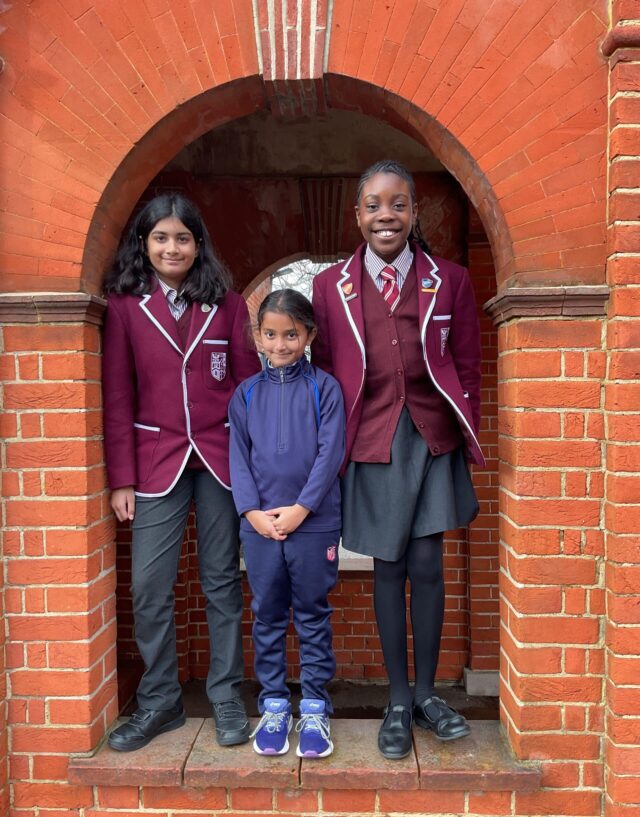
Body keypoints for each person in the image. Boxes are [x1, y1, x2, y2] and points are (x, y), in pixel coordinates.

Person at [311, 160, 484, 759]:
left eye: (399, 204)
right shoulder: (330, 286)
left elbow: (467, 364)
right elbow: (331, 371)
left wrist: (468, 429)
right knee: (388, 565)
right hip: (374, 439)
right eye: (374, 205)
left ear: (414, 212)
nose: (387, 215)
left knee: (428, 562)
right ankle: (397, 699)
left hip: (432, 436)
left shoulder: (451, 280)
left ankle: (431, 696)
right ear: (358, 215)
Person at [102, 193, 261, 752]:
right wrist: (121, 477)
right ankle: (160, 701)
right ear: (144, 245)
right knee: (149, 587)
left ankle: (224, 698)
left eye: (183, 238)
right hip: (154, 465)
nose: (173, 248)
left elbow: (247, 394)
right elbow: (118, 396)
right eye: (161, 238)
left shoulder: (230, 305)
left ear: (199, 245)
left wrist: (253, 467)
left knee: (220, 582)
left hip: (219, 462)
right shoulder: (124, 308)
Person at [228, 289, 345, 758]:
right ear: (258, 337)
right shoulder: (246, 393)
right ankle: (274, 703)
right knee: (268, 614)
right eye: (271, 334)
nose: (280, 344)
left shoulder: (325, 387)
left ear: (308, 335)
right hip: (259, 526)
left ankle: (314, 705)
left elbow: (330, 453)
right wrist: (251, 511)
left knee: (313, 614)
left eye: (291, 334)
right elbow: (238, 456)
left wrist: (301, 510)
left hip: (313, 523)